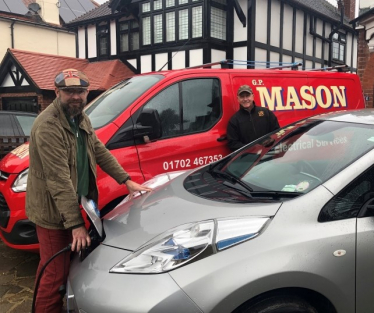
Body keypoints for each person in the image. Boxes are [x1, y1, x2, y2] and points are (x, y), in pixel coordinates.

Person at [26, 68, 152, 313]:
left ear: (87, 93)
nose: (76, 96)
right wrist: (75, 225)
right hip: (53, 213)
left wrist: (126, 180)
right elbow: (58, 180)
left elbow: (99, 150)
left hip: (76, 203)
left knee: (60, 267)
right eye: (69, 91)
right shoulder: (48, 126)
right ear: (57, 92)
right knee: (55, 272)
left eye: (80, 91)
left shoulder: (80, 118)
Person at [227, 85, 280, 151]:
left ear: (253, 96)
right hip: (249, 158)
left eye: (247, 95)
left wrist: (271, 140)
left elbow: (278, 132)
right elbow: (233, 144)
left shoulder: (266, 113)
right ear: (238, 99)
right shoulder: (234, 120)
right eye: (242, 97)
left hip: (268, 154)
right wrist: (252, 148)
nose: (245, 99)